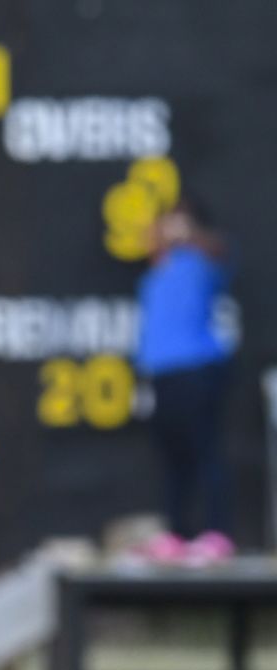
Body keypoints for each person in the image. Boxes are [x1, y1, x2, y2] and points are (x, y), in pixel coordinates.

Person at [133, 198, 235, 564]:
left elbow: (221, 250)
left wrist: (189, 235)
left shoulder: (200, 262)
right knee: (173, 457)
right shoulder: (155, 273)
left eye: (180, 222)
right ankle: (177, 533)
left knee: (204, 451)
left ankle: (216, 535)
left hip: (197, 369)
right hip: (161, 376)